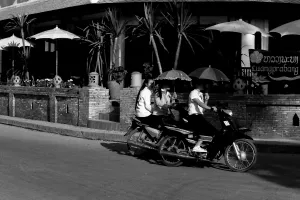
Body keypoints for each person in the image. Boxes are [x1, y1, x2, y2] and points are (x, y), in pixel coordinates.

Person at [188, 80, 218, 153]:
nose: (204, 86)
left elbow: (203, 109)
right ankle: (197, 146)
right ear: (198, 84)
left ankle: (203, 146)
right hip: (194, 116)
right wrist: (211, 108)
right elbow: (199, 103)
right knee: (207, 129)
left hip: (199, 115)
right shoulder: (193, 92)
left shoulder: (200, 94)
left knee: (213, 130)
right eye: (203, 84)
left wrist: (207, 100)